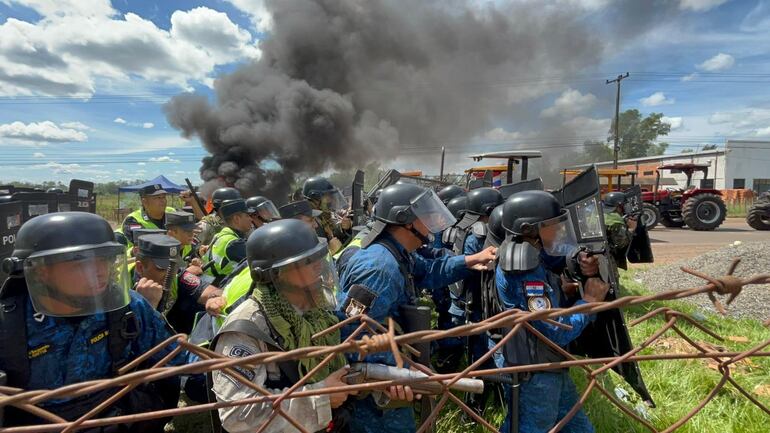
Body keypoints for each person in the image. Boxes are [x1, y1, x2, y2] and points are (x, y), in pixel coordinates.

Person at [335, 183, 497, 433]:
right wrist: (399, 369)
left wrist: (470, 260)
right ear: (405, 220)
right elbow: (353, 333)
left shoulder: (398, 253)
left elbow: (429, 271)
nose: (432, 219)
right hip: (375, 390)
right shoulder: (380, 268)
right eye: (425, 214)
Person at [0, 212, 184, 431]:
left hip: (114, 419)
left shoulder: (129, 307)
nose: (100, 272)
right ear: (41, 271)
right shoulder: (8, 324)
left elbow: (179, 359)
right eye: (81, 263)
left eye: (104, 259)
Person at [211, 219, 357, 433]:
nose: (320, 265)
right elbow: (237, 416)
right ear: (276, 274)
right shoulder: (246, 328)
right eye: (307, 261)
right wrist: (321, 397)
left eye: (318, 257)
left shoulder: (317, 308)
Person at [495, 190, 607, 433]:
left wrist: (578, 262)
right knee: (531, 427)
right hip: (536, 371)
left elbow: (553, 262)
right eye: (551, 225)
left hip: (549, 364)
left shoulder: (528, 249)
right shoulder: (522, 268)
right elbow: (556, 331)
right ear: (529, 229)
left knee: (576, 425)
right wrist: (588, 303)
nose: (557, 230)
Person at [133, 234, 221, 334]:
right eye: (162, 268)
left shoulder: (177, 276)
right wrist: (147, 306)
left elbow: (214, 292)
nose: (170, 274)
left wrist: (214, 299)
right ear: (140, 267)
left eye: (173, 267)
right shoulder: (123, 288)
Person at [202, 199, 251, 285]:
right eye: (247, 216)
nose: (251, 219)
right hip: (223, 289)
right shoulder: (234, 243)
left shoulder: (220, 235)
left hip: (212, 285)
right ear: (236, 219)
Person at [118, 184, 175, 251]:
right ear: (144, 201)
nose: (163, 201)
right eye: (158, 198)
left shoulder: (172, 212)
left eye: (164, 197)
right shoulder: (133, 220)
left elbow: (188, 224)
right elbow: (145, 247)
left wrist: (190, 202)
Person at [302, 176, 352, 253]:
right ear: (316, 198)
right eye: (328, 197)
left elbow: (332, 236)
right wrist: (330, 252)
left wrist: (343, 228)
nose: (331, 200)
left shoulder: (323, 216)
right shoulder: (309, 223)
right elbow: (312, 257)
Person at [602, 192, 637, 270]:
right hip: (606, 258)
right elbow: (620, 243)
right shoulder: (616, 220)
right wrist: (631, 228)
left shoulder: (597, 214)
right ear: (619, 206)